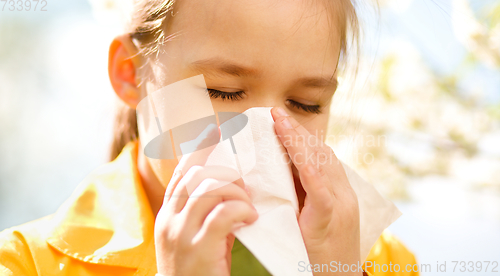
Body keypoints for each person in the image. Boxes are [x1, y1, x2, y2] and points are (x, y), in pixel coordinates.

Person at [0, 0, 419, 275]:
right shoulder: (27, 263)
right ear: (131, 72)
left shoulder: (383, 263)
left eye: (305, 104)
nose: (269, 134)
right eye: (225, 92)